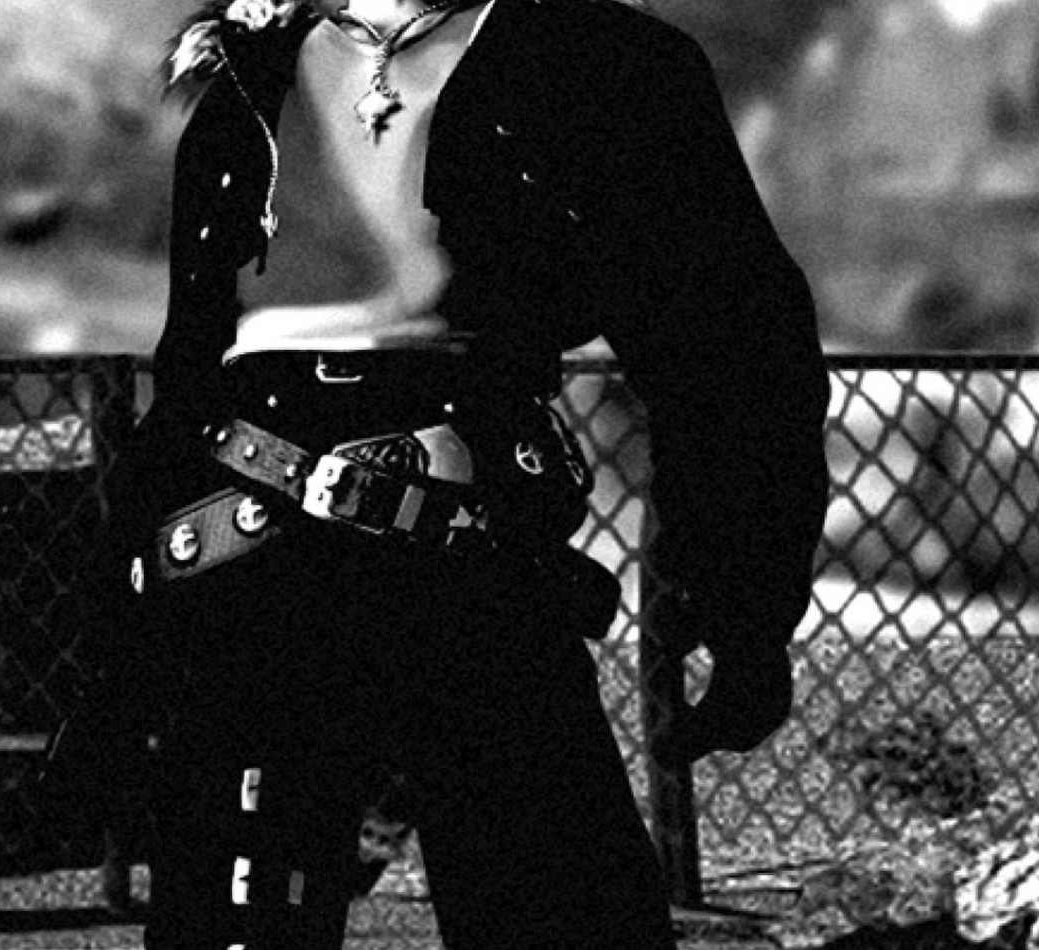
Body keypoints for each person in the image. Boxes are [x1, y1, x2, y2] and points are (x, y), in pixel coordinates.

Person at [72, 0, 831, 946]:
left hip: (474, 563)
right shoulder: (245, 79)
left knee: (562, 920)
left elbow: (732, 348)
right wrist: (117, 645)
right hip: (255, 572)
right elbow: (189, 378)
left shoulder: (601, 65)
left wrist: (742, 604)